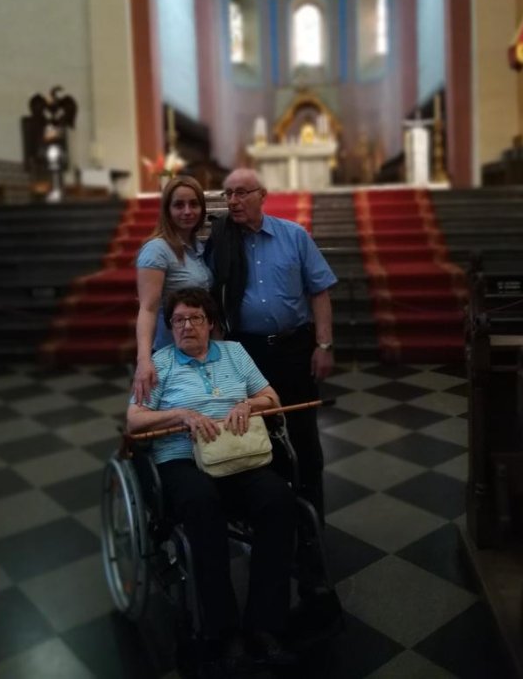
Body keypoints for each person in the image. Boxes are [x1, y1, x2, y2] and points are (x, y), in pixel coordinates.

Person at [127, 287, 297, 674]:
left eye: (195, 318)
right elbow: (134, 420)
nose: (187, 326)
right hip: (181, 460)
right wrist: (181, 415)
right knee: (202, 504)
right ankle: (223, 630)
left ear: (211, 324)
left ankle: (265, 624)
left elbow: (272, 398)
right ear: (170, 327)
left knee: (278, 500)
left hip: (236, 456)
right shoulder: (160, 363)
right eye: (178, 320)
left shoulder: (235, 353)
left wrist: (248, 404)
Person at [207, 168, 337, 522]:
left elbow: (320, 291)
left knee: (303, 433)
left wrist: (324, 345)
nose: (233, 201)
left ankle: (311, 521)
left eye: (241, 193)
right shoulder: (221, 242)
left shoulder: (294, 236)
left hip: (293, 348)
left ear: (262, 195)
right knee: (254, 433)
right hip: (246, 351)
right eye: (228, 194)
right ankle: (269, 517)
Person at [133, 176, 213, 400]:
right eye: (179, 205)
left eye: (194, 204)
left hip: (198, 349)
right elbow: (147, 308)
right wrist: (144, 360)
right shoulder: (157, 250)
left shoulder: (196, 247)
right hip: (171, 351)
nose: (187, 211)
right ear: (167, 210)